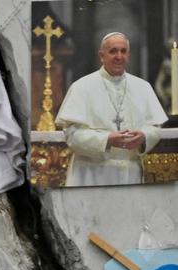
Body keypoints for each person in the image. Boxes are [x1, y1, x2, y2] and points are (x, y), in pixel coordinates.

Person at [55, 32, 168, 186]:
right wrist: (107, 140)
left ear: (128, 55)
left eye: (123, 51)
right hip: (91, 174)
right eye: (113, 51)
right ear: (101, 56)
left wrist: (143, 137)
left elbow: (155, 128)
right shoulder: (82, 87)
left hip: (131, 173)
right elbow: (72, 135)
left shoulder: (143, 87)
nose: (119, 56)